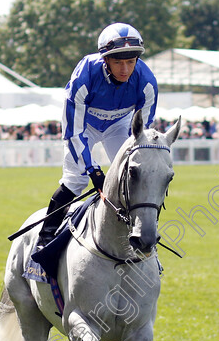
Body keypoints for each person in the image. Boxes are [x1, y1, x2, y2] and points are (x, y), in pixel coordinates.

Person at [37, 23, 158, 248]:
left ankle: (142, 233)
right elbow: (73, 132)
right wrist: (94, 171)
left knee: (136, 173)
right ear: (105, 60)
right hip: (84, 126)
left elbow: (142, 136)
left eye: (131, 62)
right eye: (118, 62)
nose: (125, 70)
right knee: (76, 178)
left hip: (120, 125)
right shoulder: (85, 74)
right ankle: (45, 237)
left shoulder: (147, 81)